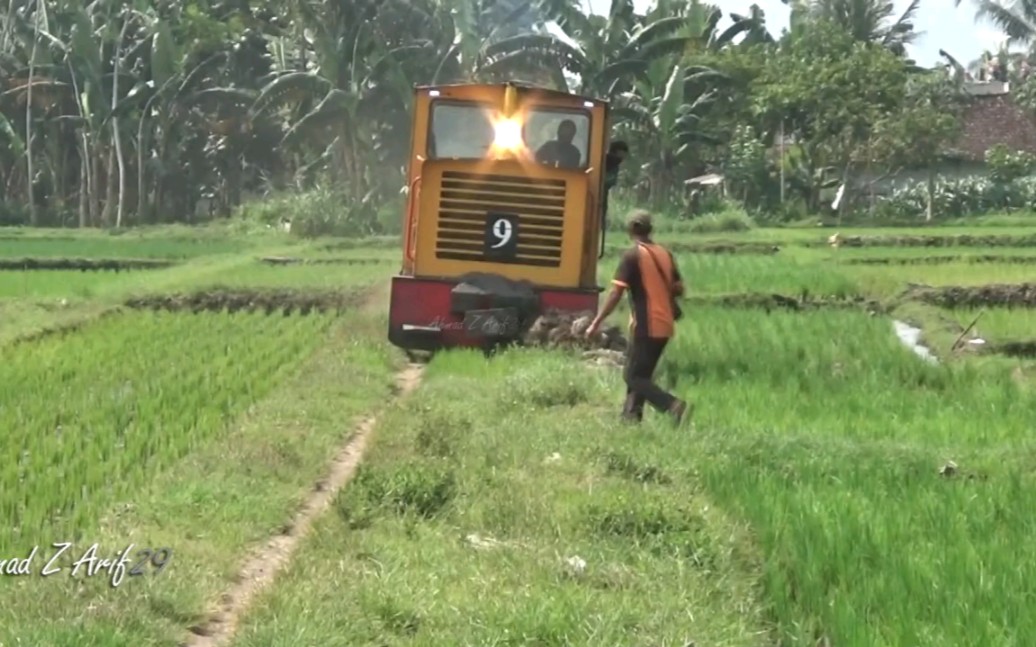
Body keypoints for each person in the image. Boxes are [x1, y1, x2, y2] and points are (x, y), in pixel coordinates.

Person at [585, 210, 689, 425]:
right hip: (664, 325)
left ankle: (672, 405)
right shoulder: (664, 253)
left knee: (632, 376)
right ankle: (630, 419)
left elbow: (615, 294)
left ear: (630, 230)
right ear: (650, 229)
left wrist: (596, 322)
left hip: (647, 324)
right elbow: (679, 288)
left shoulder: (632, 256)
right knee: (640, 374)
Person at [602, 140, 628, 221]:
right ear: (618, 151)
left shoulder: (612, 162)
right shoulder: (611, 161)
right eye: (623, 153)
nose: (624, 157)